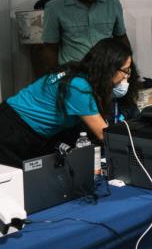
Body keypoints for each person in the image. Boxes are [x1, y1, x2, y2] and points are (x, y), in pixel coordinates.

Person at [0, 38, 138, 167]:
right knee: (16, 185)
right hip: (14, 130)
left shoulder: (76, 72)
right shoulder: (79, 87)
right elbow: (104, 135)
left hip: (18, 125)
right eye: (125, 71)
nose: (127, 76)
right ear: (110, 68)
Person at [39, 0, 130, 75]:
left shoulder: (112, 3)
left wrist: (129, 72)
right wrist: (53, 80)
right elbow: (50, 49)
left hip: (106, 73)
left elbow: (121, 39)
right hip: (73, 75)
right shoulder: (55, 8)